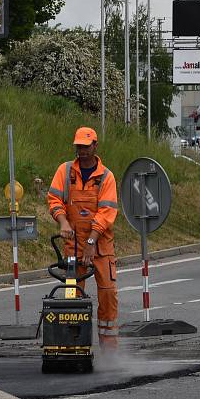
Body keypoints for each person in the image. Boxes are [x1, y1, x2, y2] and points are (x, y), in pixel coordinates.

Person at [47, 127, 119, 351]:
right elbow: (54, 200)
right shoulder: (65, 171)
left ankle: (109, 349)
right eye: (78, 146)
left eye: (86, 147)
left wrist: (91, 242)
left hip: (101, 247)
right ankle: (72, 344)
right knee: (72, 296)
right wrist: (63, 222)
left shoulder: (106, 177)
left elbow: (106, 213)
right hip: (73, 248)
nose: (82, 151)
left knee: (107, 294)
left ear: (95, 146)